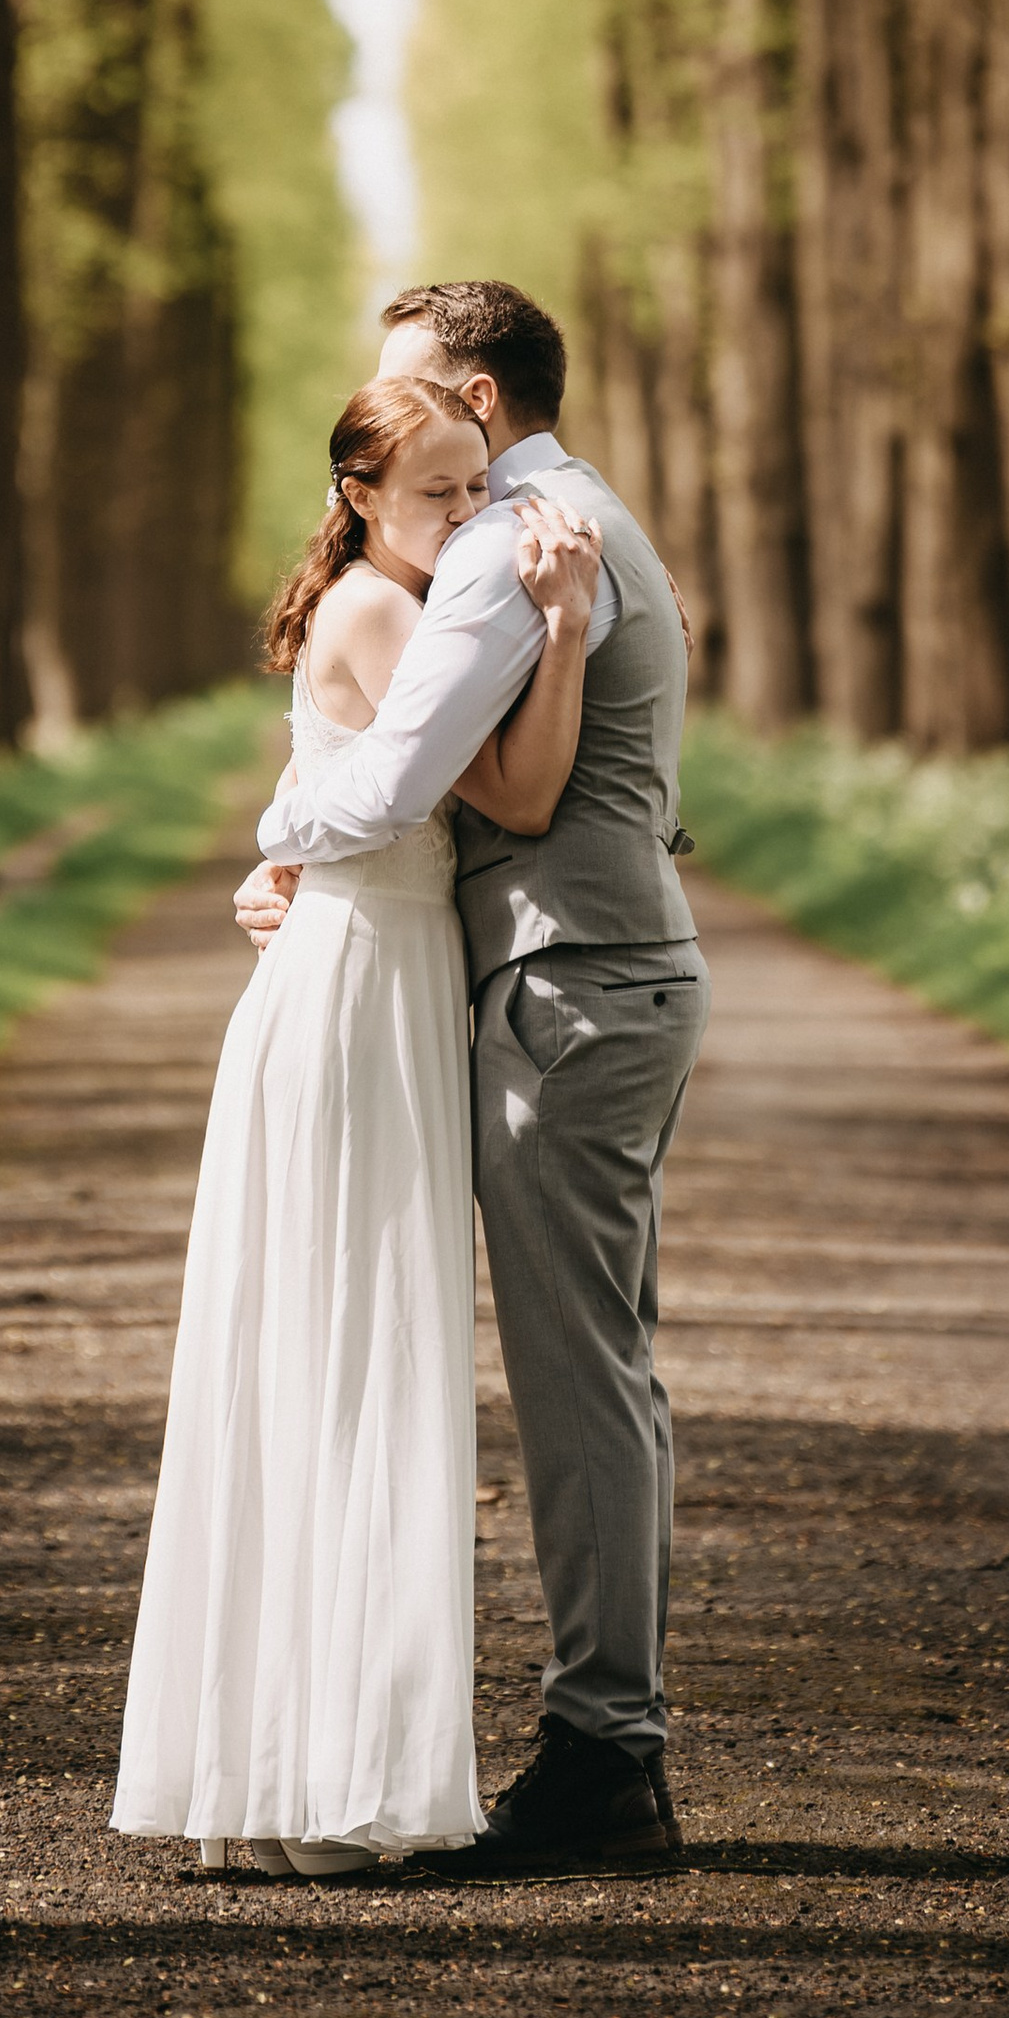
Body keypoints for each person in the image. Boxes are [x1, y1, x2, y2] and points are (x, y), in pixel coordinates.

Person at [238, 279, 710, 1880]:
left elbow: (409, 780)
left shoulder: (517, 540)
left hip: (572, 988)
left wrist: (279, 839)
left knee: (580, 1380)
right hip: (591, 973)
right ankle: (606, 1740)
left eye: (417, 393)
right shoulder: (580, 519)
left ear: (478, 399)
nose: (402, 423)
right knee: (597, 1367)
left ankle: (607, 1755)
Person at [111, 374, 606, 1877]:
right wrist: (564, 630)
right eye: (435, 490)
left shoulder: (388, 606)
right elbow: (518, 798)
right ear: (361, 496)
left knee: (322, 1352)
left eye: (475, 486)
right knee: (354, 1349)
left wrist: (284, 851)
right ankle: (323, 1787)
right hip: (359, 989)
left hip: (368, 974)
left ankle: (280, 1785)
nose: (465, 513)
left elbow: (372, 794)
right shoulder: (389, 615)